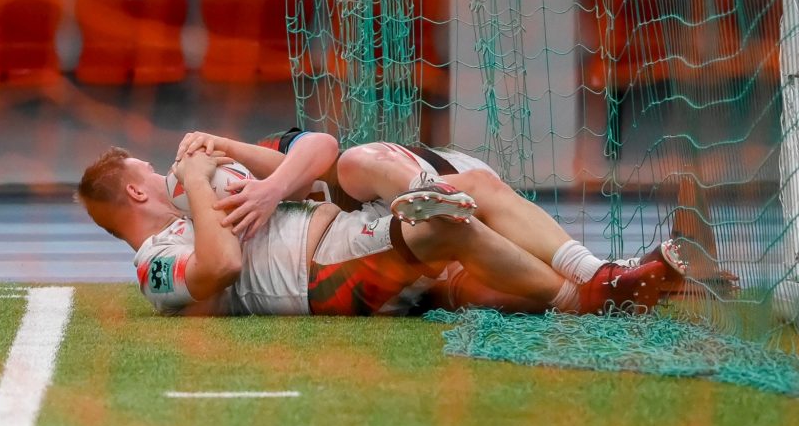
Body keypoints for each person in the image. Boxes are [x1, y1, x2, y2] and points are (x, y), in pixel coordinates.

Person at [77, 132, 681, 317]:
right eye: (150, 170)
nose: (164, 169)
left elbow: (318, 149)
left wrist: (256, 179)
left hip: (343, 228)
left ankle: (596, 270)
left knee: (475, 188)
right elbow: (222, 266)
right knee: (447, 231)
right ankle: (589, 298)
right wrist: (198, 181)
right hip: (321, 274)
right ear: (136, 190)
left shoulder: (205, 196)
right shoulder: (153, 265)